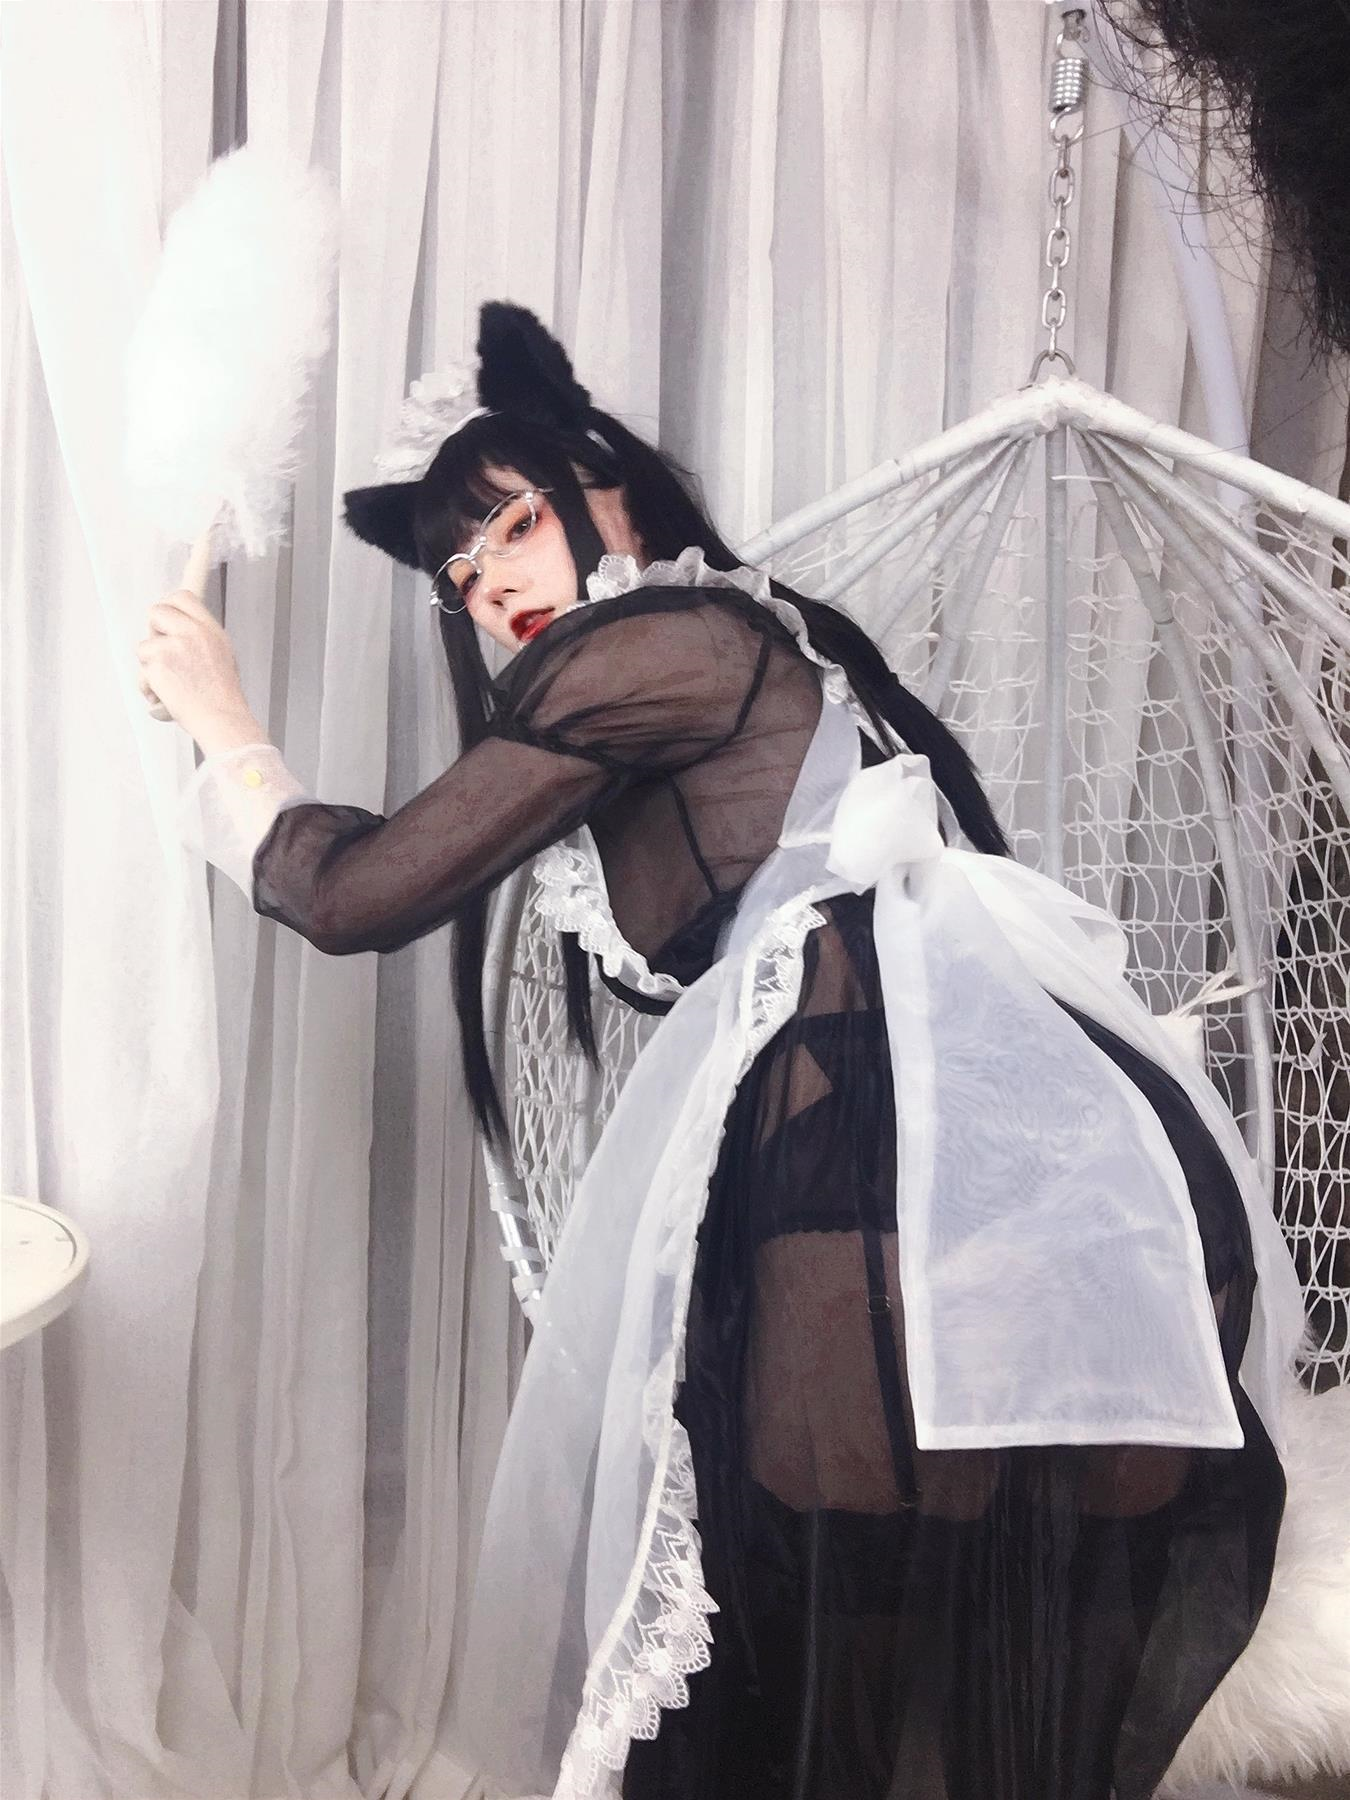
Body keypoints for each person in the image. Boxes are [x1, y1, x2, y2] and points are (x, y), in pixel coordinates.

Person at [143, 301, 1303, 1800]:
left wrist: (226, 727)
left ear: (610, 486)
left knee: (831, 1569)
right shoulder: (703, 651)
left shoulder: (658, 642)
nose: (489, 583)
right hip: (880, 1128)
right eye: (460, 571)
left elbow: (359, 895)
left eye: (510, 526)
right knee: (828, 1565)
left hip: (883, 1133)